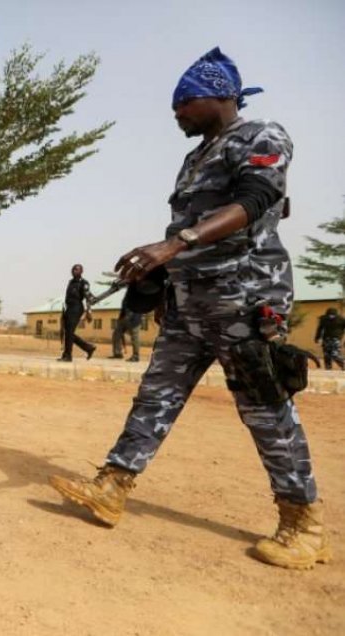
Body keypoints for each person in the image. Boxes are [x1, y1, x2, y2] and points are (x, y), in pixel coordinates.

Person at [48, 48, 331, 569]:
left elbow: (255, 201)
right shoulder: (196, 156)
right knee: (155, 396)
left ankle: (303, 522)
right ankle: (113, 485)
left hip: (245, 298)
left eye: (184, 102)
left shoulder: (261, 135)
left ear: (219, 96)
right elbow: (186, 227)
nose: (176, 113)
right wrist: (156, 275)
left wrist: (174, 245)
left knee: (264, 408)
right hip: (189, 301)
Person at [58, 264, 97, 361]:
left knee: (69, 333)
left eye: (76, 269)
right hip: (68, 308)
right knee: (68, 333)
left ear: (81, 271)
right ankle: (88, 348)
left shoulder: (84, 283)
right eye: (73, 269)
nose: (74, 271)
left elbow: (88, 295)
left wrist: (89, 309)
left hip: (76, 308)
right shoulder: (71, 282)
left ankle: (68, 356)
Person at [110, 297, 143, 362]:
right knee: (116, 334)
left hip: (134, 319)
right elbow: (123, 308)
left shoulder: (140, 295)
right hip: (124, 318)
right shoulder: (127, 296)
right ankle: (117, 353)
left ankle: (136, 356)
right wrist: (120, 318)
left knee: (135, 336)